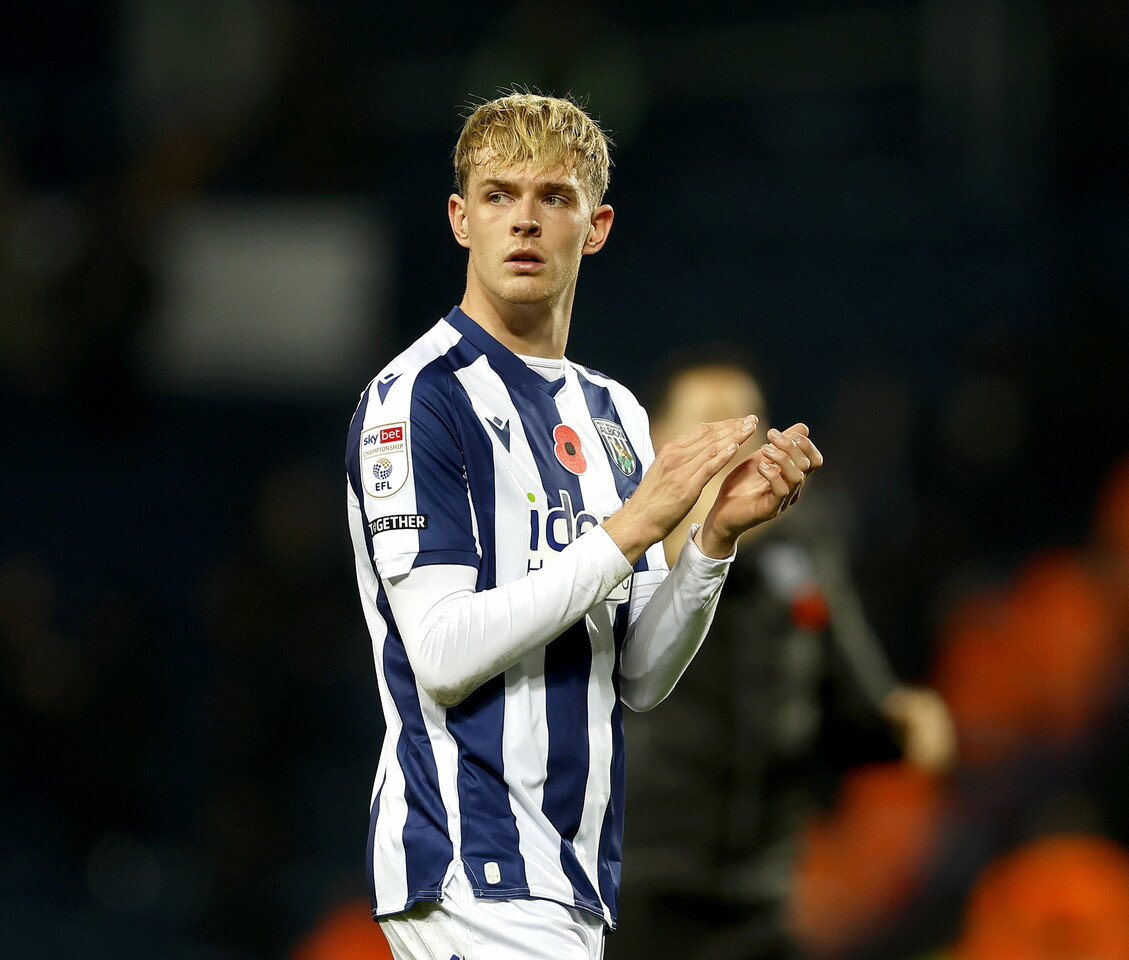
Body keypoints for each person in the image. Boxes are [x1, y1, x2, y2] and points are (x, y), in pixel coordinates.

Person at [344, 92, 823, 960]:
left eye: (552, 198)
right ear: (460, 219)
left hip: (572, 876)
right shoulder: (419, 400)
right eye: (498, 196)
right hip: (470, 862)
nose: (523, 221)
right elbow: (443, 654)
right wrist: (635, 524)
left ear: (595, 226)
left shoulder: (614, 415)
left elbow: (638, 673)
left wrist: (713, 540)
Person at [606, 352, 956, 960]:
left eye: (746, 425)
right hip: (632, 892)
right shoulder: (611, 555)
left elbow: (849, 700)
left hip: (759, 899)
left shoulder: (801, 556)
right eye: (708, 426)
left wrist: (898, 722)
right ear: (656, 443)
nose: (732, 447)